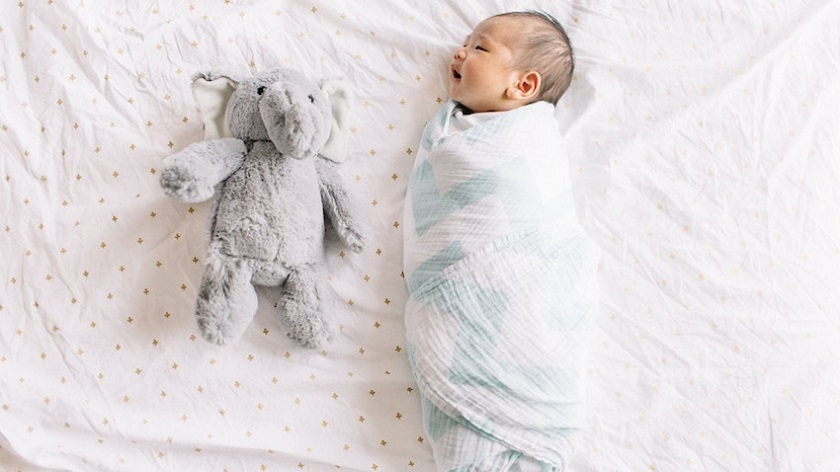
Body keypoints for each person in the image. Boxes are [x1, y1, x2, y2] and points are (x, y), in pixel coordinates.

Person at [402, 10, 599, 472]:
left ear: (523, 86)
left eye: (479, 48)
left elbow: (544, 225)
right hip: (458, 306)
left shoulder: (529, 140)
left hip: (526, 288)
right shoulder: (455, 129)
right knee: (462, 450)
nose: (460, 52)